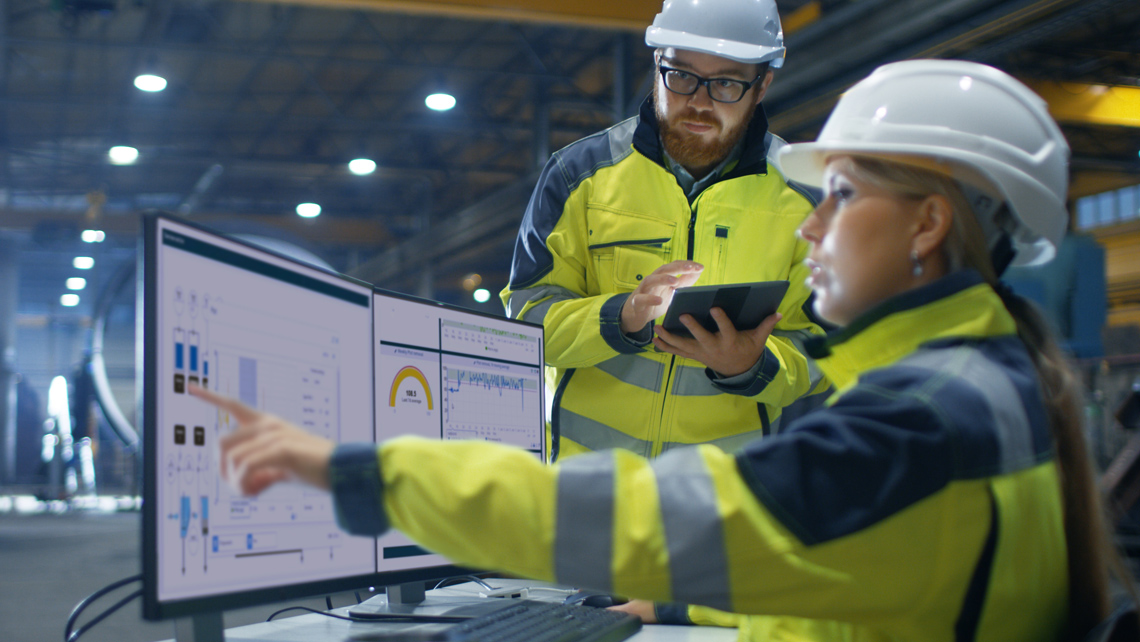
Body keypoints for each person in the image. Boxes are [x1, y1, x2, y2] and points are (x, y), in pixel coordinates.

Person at [193, 59, 1135, 641]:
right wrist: (677, 609)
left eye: (842, 197)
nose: (811, 232)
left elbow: (657, 516)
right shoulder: (975, 381)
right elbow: (852, 566)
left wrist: (358, 470)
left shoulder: (921, 421)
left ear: (930, 223)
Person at [499, 0, 830, 465]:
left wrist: (751, 366)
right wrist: (622, 316)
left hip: (721, 495)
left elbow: (823, 349)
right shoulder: (579, 176)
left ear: (762, 86)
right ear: (657, 64)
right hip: (586, 481)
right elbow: (525, 322)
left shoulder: (805, 198)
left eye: (727, 84)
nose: (699, 100)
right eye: (681, 75)